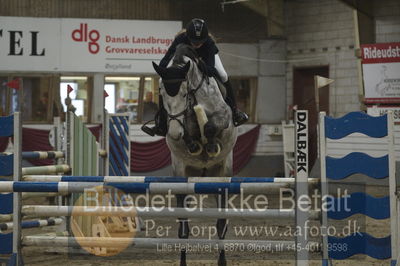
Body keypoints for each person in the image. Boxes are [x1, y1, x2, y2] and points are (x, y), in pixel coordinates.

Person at [142, 18, 248, 136]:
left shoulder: (208, 43)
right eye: (194, 41)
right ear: (188, 36)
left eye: (199, 42)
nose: (197, 44)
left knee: (223, 74)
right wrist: (165, 71)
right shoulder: (181, 39)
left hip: (205, 61)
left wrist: (198, 62)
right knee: (162, 80)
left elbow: (211, 71)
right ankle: (161, 123)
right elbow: (166, 59)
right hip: (187, 62)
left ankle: (235, 111)